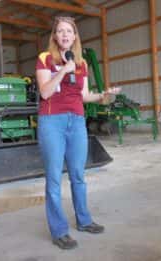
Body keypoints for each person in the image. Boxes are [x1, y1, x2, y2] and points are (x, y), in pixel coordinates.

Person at [36, 16, 120, 249]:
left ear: (75, 37)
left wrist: (103, 95)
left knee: (78, 175)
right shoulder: (45, 59)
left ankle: (83, 220)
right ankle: (59, 230)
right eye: (60, 31)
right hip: (52, 122)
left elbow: (83, 95)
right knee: (54, 179)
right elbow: (45, 92)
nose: (64, 35)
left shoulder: (81, 63)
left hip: (77, 121)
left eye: (69, 31)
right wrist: (63, 70)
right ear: (54, 36)